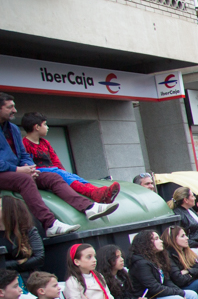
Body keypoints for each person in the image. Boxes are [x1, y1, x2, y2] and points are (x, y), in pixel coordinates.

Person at [0, 93, 114, 237]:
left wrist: (30, 168)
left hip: (19, 171)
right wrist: (18, 170)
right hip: (6, 173)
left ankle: (89, 207)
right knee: (25, 180)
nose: (15, 110)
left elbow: (23, 154)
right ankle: (50, 224)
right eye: (10, 107)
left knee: (52, 177)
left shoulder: (13, 129)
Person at [20, 112, 120, 204]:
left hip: (54, 170)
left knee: (75, 177)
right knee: (66, 177)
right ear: (37, 127)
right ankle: (93, 193)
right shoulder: (24, 144)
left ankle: (99, 191)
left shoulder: (45, 143)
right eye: (45, 124)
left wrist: (64, 172)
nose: (47, 127)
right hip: (41, 173)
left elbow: (55, 161)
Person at [0, 196, 43, 281]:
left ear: (7, 211)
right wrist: (18, 262)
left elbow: (39, 258)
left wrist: (5, 265)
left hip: (25, 278)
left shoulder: (28, 230)